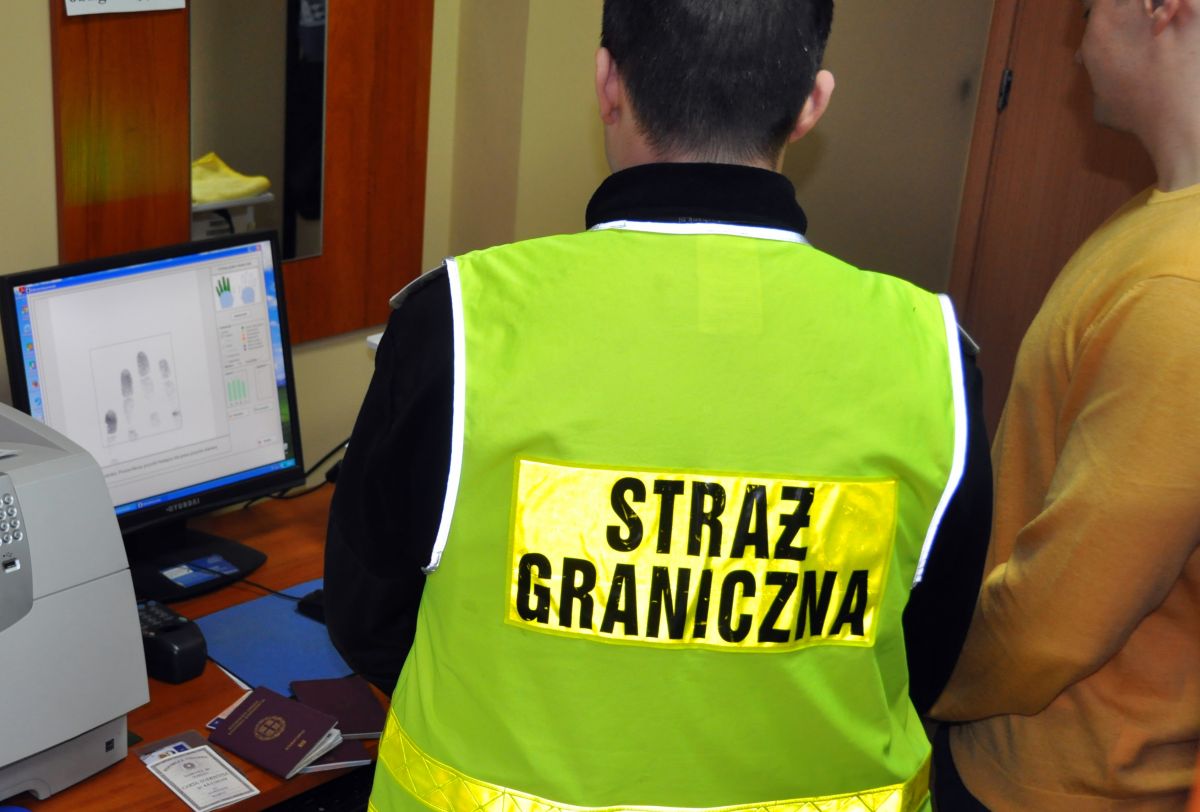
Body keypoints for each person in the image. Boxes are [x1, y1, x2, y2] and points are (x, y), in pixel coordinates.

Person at [324, 1, 991, 808]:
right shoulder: (931, 356)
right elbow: (925, 658)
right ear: (811, 104)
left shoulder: (460, 325)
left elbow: (367, 621)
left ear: (608, 82)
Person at [929, 0, 1200, 809]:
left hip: (1051, 781)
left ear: (1163, 8)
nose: (1076, 48)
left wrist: (918, 677)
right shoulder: (1158, 223)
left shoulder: (1180, 287)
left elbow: (1059, 622)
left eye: (1085, 11)